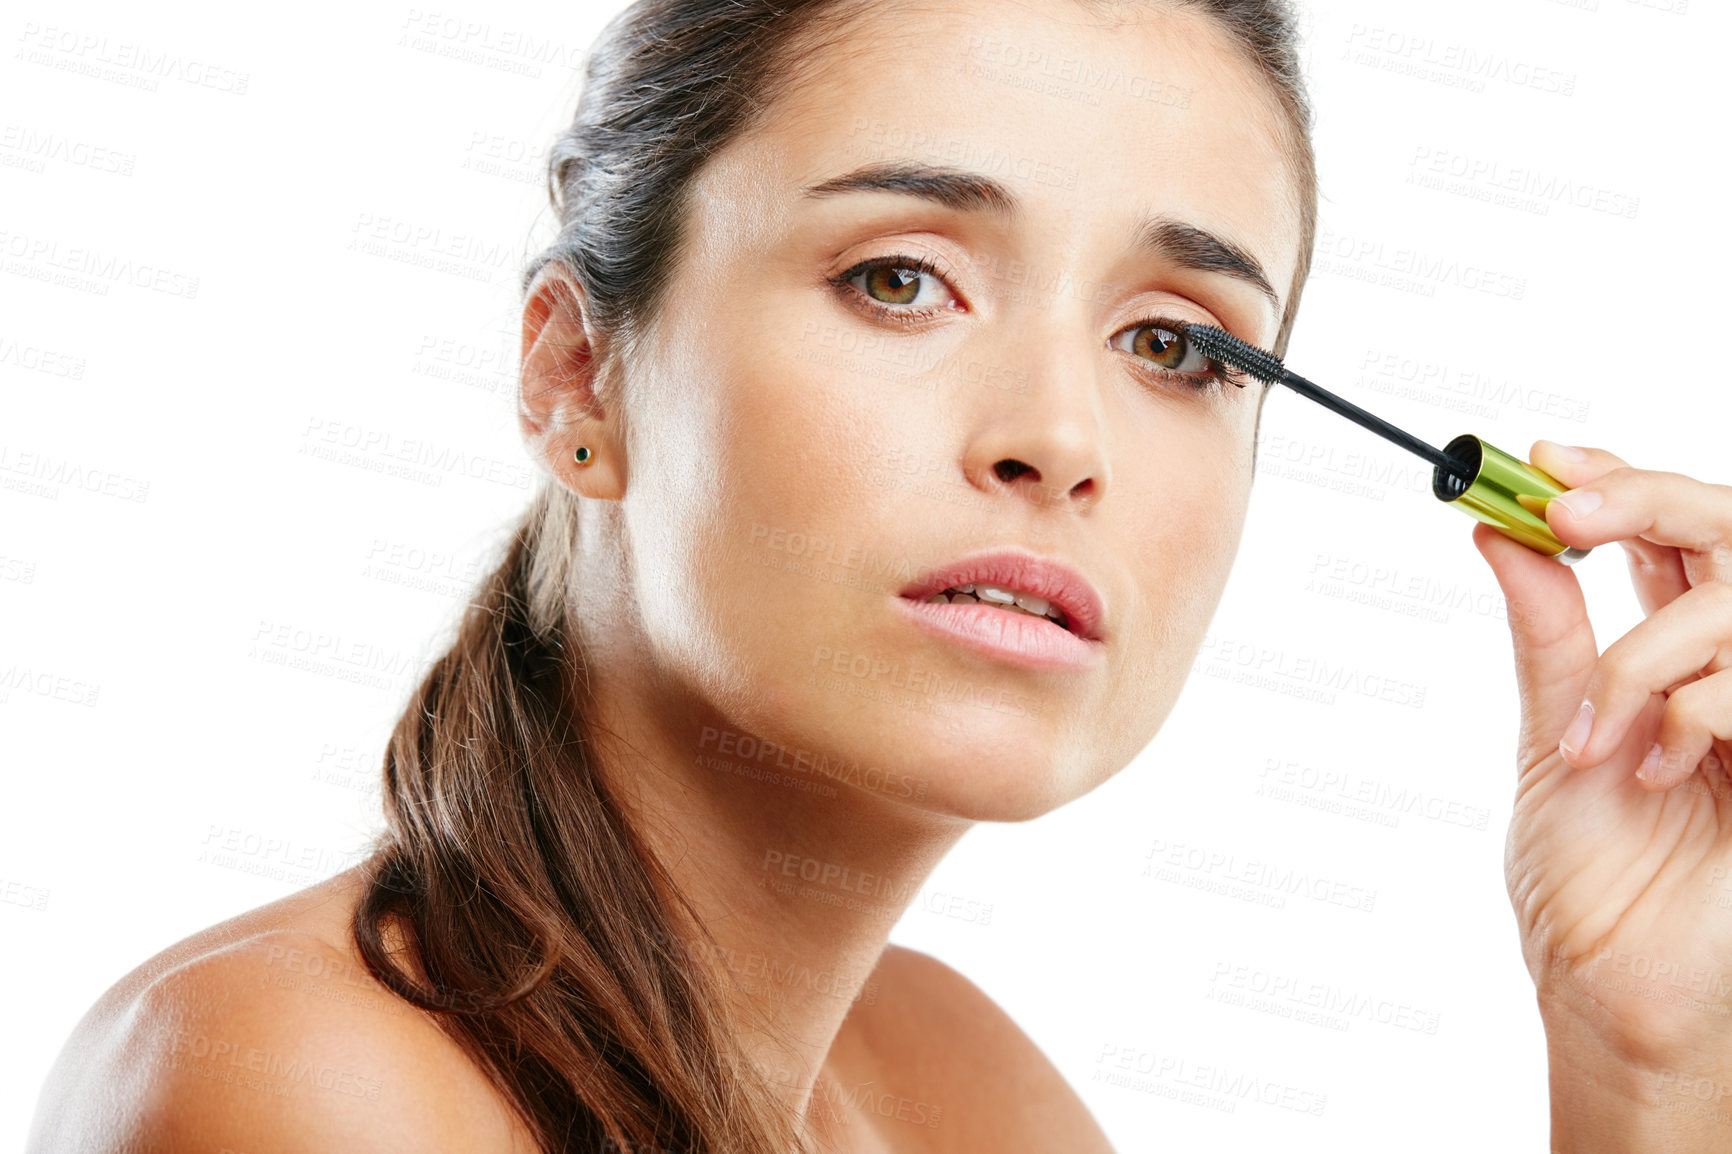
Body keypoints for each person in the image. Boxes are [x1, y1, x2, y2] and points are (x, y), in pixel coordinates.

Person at [26, 0, 1732, 1150]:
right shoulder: (306, 1086)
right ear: (575, 375)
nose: (1058, 436)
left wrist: (1647, 1049)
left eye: (1175, 346)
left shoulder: (959, 1084)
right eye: (903, 280)